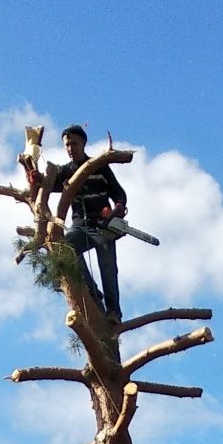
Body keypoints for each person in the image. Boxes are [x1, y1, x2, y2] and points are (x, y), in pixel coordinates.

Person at [52, 124, 126, 321]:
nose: (70, 148)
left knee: (108, 268)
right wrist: (34, 177)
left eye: (73, 143)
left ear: (83, 143)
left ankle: (113, 312)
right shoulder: (65, 171)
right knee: (66, 247)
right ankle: (92, 293)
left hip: (104, 225)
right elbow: (47, 183)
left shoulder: (99, 166)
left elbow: (118, 192)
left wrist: (118, 208)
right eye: (67, 145)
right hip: (81, 226)